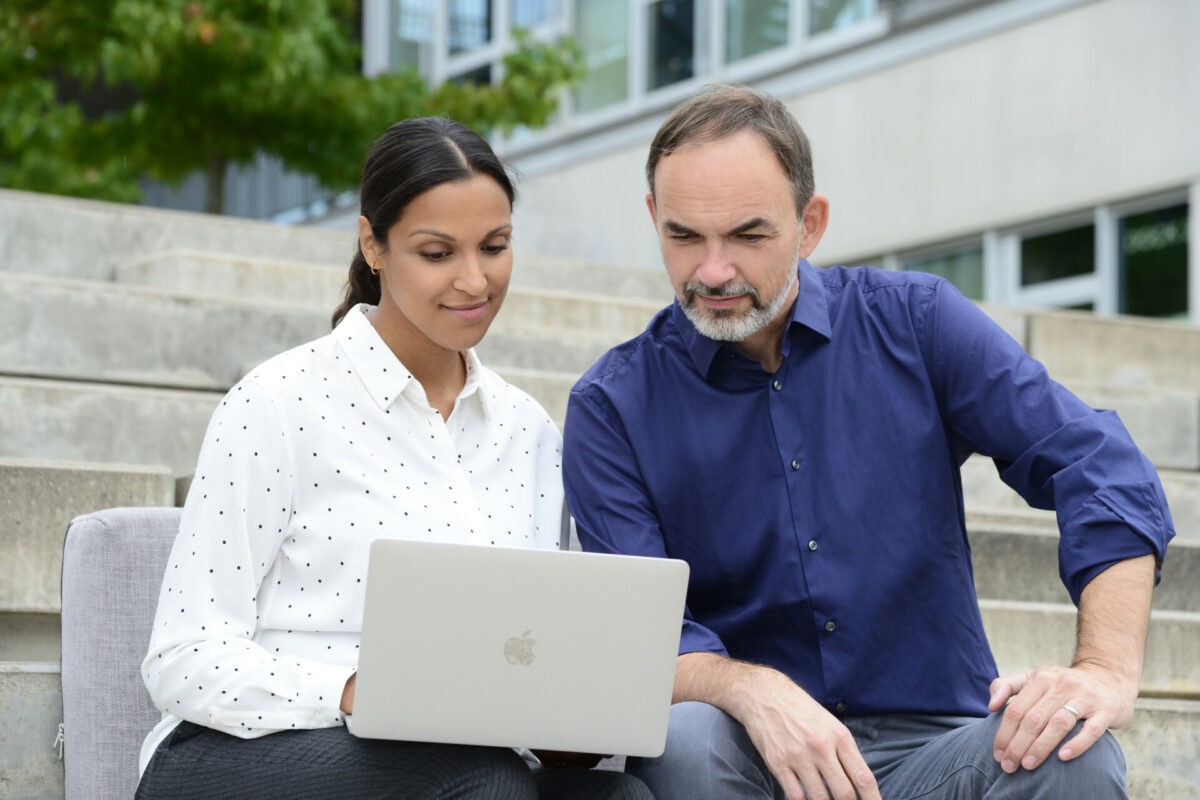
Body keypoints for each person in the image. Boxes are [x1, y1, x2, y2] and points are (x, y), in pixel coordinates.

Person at [561, 84, 1175, 800]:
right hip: (752, 758)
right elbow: (636, 636)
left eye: (749, 235)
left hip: (938, 747)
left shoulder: (916, 322)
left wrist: (1102, 669)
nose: (713, 271)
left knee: (1074, 751)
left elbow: (1099, 465)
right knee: (688, 741)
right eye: (684, 236)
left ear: (810, 224)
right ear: (653, 219)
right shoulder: (610, 405)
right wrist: (748, 688)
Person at [136, 117, 652, 800]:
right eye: (437, 253)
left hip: (452, 759)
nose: (475, 280)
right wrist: (356, 691)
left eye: (494, 246)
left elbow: (526, 648)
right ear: (371, 244)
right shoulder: (278, 404)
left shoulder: (527, 431)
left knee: (623, 797)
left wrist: (565, 724)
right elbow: (183, 659)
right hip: (236, 753)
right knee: (487, 784)